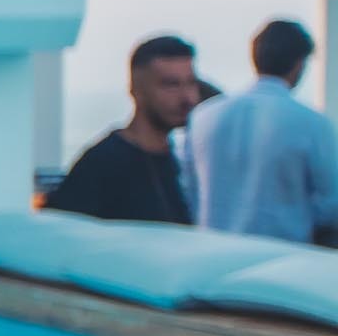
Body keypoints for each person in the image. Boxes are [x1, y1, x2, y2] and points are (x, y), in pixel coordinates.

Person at [186, 19, 338, 246]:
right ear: (299, 64)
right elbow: (331, 204)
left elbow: (190, 192)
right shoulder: (312, 123)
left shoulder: (203, 116)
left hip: (215, 252)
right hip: (282, 255)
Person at [43, 35, 199, 224]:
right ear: (137, 89)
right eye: (170, 85)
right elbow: (61, 229)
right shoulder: (103, 164)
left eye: (191, 83)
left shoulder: (179, 161)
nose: (187, 97)